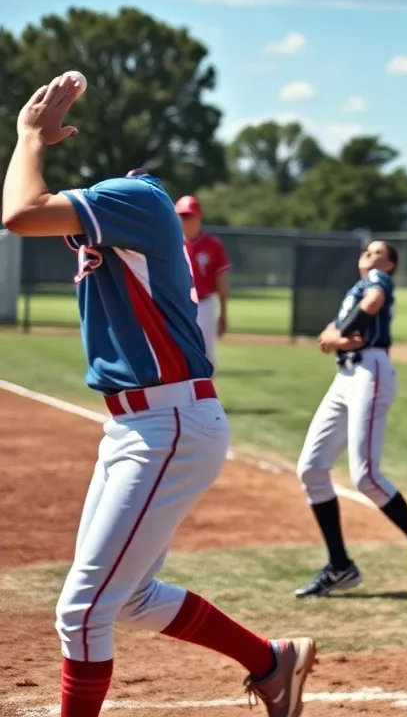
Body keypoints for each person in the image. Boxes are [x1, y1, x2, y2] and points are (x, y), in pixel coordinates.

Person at [1, 72, 316, 717]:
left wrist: (30, 137)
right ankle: (272, 661)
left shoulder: (140, 201)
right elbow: (39, 212)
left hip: (167, 423)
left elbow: (18, 212)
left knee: (83, 612)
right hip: (139, 426)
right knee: (132, 595)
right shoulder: (122, 215)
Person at [294, 240, 407, 603]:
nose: (370, 254)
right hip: (347, 377)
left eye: (379, 251)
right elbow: (334, 333)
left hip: (371, 371)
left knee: (365, 476)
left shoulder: (377, 280)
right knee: (311, 469)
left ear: (391, 264)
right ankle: (340, 565)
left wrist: (338, 335)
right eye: (366, 251)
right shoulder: (355, 289)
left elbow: (372, 305)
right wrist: (336, 334)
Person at [175, 195, 230, 369]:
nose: (186, 220)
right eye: (182, 216)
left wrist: (223, 312)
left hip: (204, 305)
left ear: (199, 217)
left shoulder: (212, 245)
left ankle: (206, 394)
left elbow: (221, 281)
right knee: (178, 354)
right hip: (178, 305)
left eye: (189, 216)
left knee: (206, 355)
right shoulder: (171, 244)